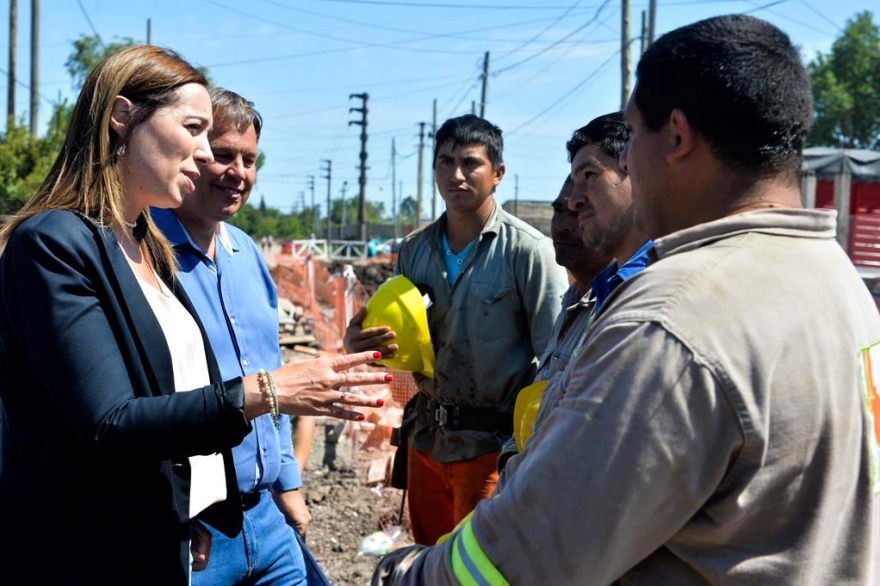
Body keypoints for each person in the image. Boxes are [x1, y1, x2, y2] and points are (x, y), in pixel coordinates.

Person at [372, 14, 880, 585]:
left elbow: (532, 556)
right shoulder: (836, 281)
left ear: (678, 137)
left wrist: (410, 575)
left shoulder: (675, 315)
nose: (625, 162)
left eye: (633, 136)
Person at [0, 45, 387, 586]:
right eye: (194, 129)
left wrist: (193, 503)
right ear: (122, 117)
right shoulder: (55, 243)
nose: (206, 153)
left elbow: (166, 401)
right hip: (85, 551)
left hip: (160, 534)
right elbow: (112, 424)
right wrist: (269, 391)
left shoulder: (145, 245)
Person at [346, 114, 568, 546]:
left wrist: (538, 454)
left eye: (471, 163)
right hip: (427, 439)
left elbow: (556, 358)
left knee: (480, 565)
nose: (457, 174)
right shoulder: (415, 250)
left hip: (493, 449)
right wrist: (363, 343)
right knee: (430, 556)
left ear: (498, 173)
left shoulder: (529, 252)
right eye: (446, 162)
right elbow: (402, 340)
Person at [152, 87, 327, 585]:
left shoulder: (247, 254)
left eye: (250, 160)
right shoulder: (144, 256)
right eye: (223, 155)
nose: (240, 174)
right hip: (196, 531)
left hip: (267, 520)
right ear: (191, 154)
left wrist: (288, 483)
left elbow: (271, 385)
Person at [496, 175, 611, 474]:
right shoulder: (572, 302)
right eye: (558, 210)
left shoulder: (614, 312)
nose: (561, 225)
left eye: (576, 213)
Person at [567, 112, 651, 318]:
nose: (573, 201)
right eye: (575, 185)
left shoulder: (664, 283)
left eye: (589, 175)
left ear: (633, 167)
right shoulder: (601, 290)